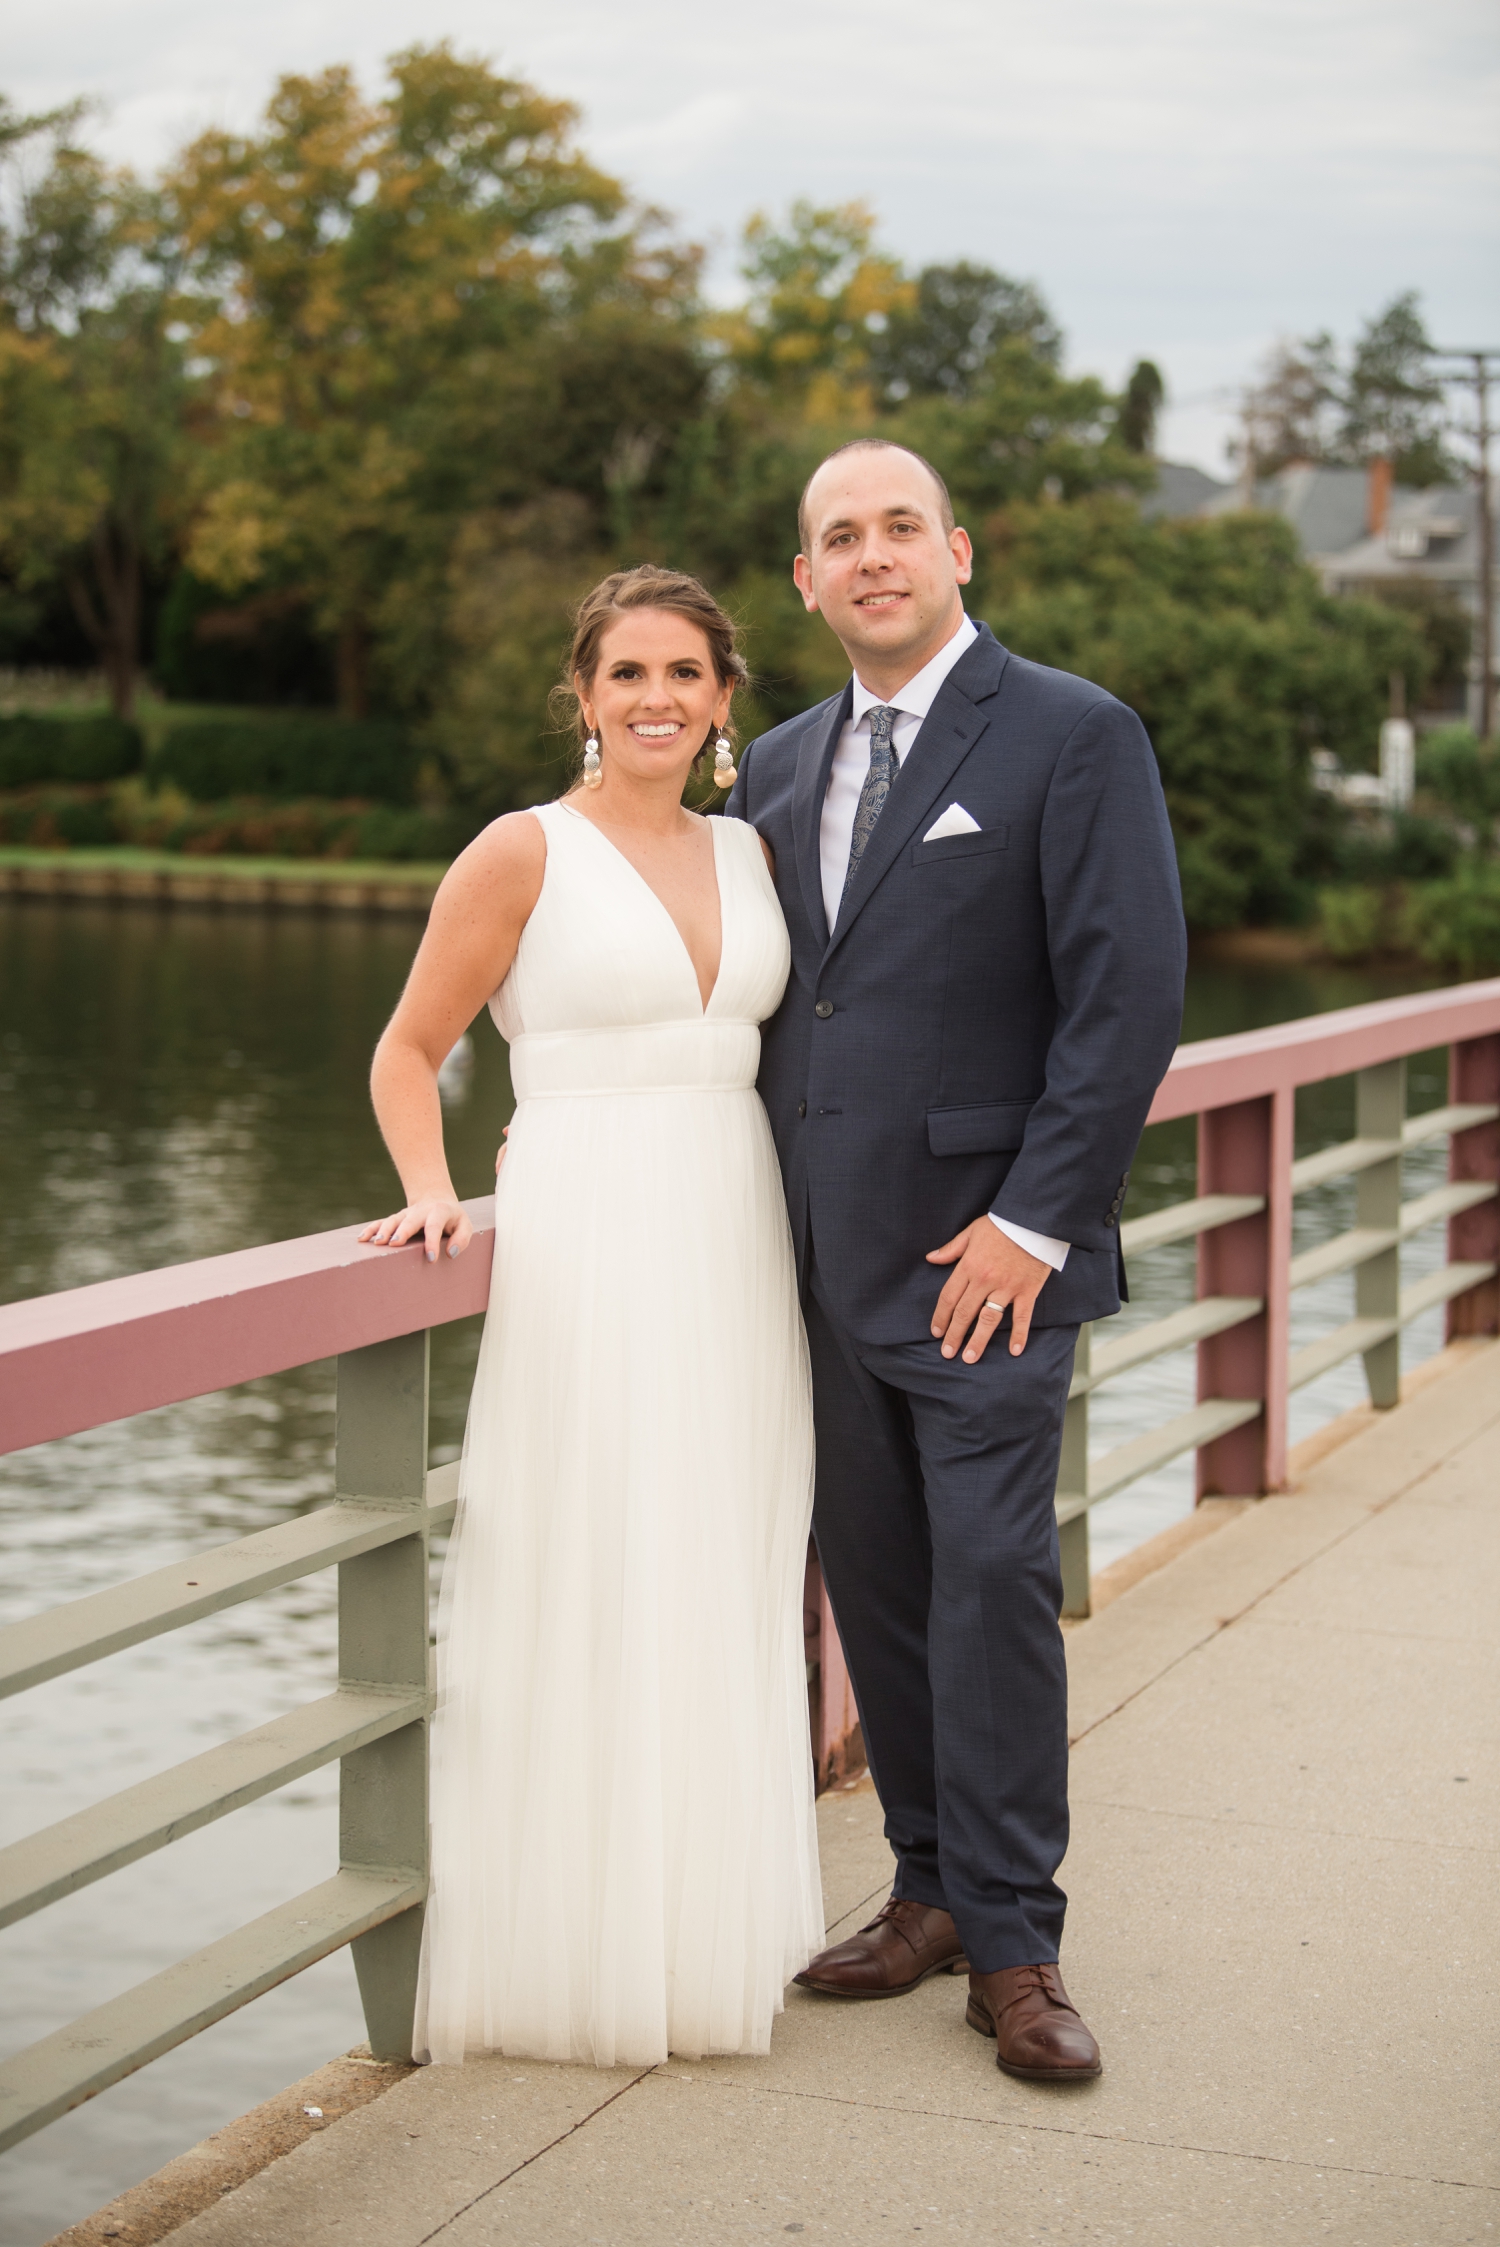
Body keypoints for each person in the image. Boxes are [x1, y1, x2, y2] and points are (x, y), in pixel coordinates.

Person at [726, 439, 1186, 2083]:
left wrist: (1036, 1219)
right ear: (805, 579)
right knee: (882, 1585)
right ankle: (924, 1886)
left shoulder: (1071, 733)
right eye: (836, 536)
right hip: (817, 1265)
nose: (870, 556)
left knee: (991, 1584)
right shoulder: (774, 766)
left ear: (959, 550)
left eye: (898, 527)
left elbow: (1124, 1000)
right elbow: (769, 1003)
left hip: (985, 1257)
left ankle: (1015, 1945)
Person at [359, 566, 823, 2068]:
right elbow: (409, 1047)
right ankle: (573, 1958)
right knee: (591, 1553)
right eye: (627, 674)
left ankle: (701, 1940)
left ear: (723, 699)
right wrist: (436, 1185)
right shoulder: (522, 852)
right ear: (583, 694)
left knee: (715, 1558)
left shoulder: (754, 851)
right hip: (585, 1223)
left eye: (684, 675)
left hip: (733, 1223)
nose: (656, 701)